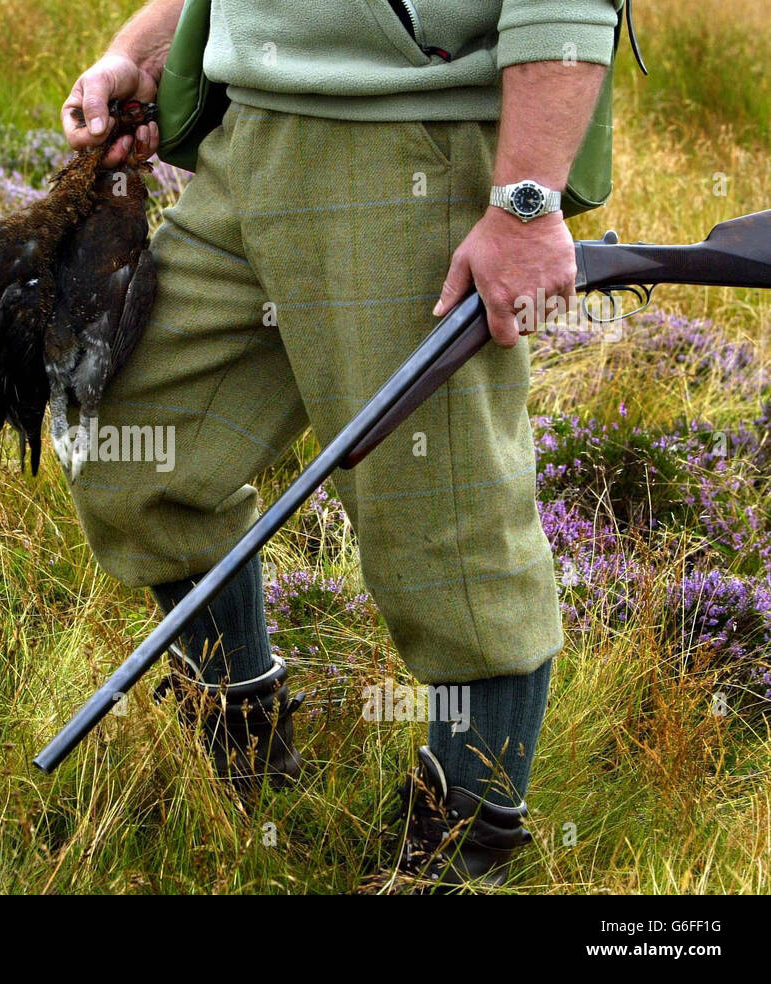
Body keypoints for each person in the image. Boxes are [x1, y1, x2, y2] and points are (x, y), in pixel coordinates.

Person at [60, 0, 619, 887]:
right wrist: (144, 49)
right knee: (132, 440)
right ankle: (241, 735)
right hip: (250, 138)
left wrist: (524, 204)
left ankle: (469, 837)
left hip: (411, 141)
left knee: (442, 521)